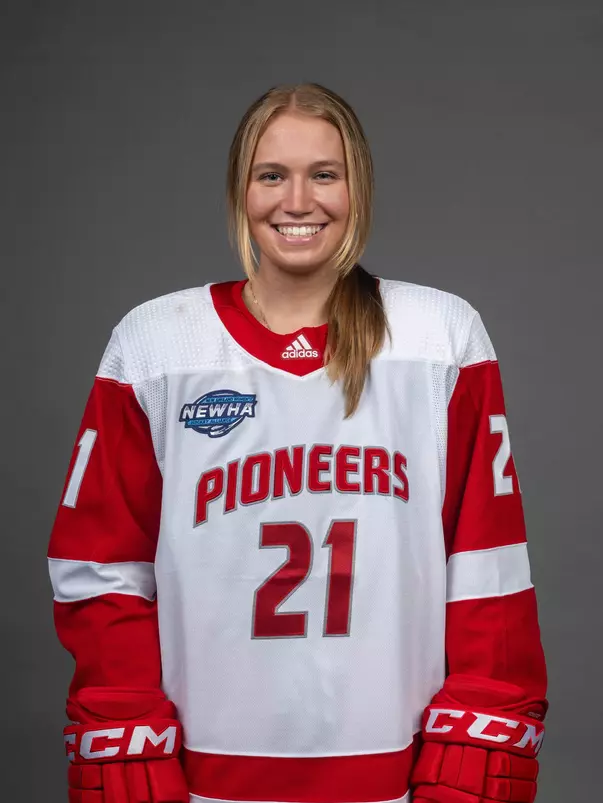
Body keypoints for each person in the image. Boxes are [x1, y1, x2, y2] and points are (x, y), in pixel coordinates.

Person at [48, 83, 548, 803]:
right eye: (271, 174)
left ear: (357, 187)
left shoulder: (439, 335)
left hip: (393, 767)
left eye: (324, 174)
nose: (297, 201)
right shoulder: (157, 342)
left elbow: (487, 563)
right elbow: (100, 564)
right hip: (203, 769)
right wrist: (124, 719)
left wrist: (482, 721)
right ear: (240, 190)